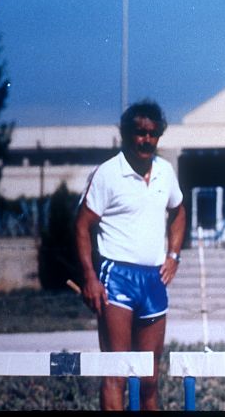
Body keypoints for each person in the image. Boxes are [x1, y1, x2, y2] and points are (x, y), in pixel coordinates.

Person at [74, 100, 186, 410]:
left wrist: (174, 256)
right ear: (126, 135)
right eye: (139, 133)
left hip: (153, 279)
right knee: (117, 374)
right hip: (117, 277)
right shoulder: (108, 174)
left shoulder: (165, 171)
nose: (146, 140)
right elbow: (82, 226)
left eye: (152, 134)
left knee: (149, 377)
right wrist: (90, 278)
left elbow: (179, 212)